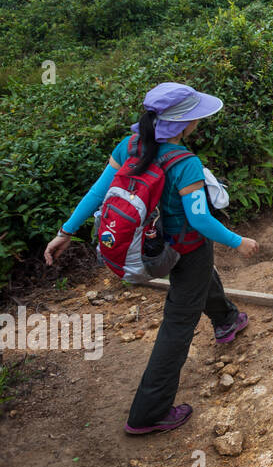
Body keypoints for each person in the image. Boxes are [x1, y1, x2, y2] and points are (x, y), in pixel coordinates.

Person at [43, 83, 260, 435]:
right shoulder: (185, 162)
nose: (198, 122)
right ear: (184, 124)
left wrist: (66, 232)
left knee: (201, 280)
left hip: (149, 247)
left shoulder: (129, 146)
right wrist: (239, 242)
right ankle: (148, 414)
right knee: (178, 323)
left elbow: (99, 191)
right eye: (195, 118)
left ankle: (226, 320)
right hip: (184, 249)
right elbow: (201, 220)